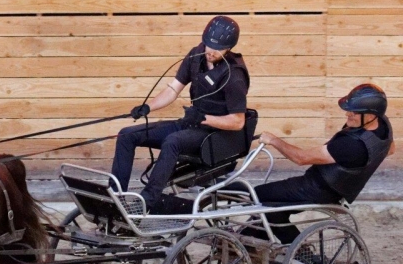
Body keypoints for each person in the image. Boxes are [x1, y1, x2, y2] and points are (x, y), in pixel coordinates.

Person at [110, 15, 250, 212]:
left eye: (218, 49)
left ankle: (146, 203)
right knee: (127, 135)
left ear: (229, 47)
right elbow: (173, 90)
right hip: (191, 124)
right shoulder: (197, 55)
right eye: (209, 45)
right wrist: (148, 107)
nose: (211, 51)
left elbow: (237, 122)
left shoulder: (234, 75)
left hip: (213, 134)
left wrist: (204, 118)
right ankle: (115, 199)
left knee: (173, 141)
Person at [250, 83, 394, 244]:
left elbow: (301, 158)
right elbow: (390, 149)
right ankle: (261, 245)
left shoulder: (351, 145)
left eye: (354, 112)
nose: (347, 114)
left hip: (317, 188)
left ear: (370, 115)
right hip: (330, 186)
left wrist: (273, 140)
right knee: (273, 208)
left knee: (257, 195)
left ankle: (304, 257)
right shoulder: (382, 125)